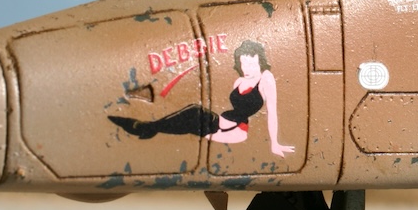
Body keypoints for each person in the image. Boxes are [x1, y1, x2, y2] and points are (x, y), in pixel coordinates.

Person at [108, 39, 295, 158]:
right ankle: (148, 128)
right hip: (220, 122)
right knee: (192, 116)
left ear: (260, 61)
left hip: (235, 129)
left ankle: (147, 128)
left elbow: (272, 112)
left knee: (194, 114)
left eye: (251, 63)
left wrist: (274, 143)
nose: (246, 67)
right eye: (243, 63)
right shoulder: (239, 80)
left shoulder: (266, 78)